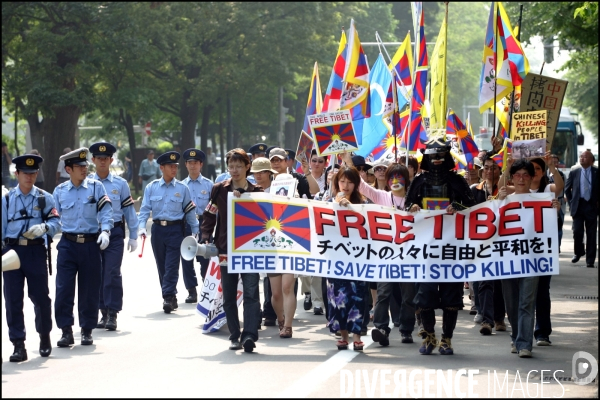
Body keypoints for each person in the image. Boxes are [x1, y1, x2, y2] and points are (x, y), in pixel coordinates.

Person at [405, 136, 476, 355]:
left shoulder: (457, 180)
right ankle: (428, 337)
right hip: (425, 251)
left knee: (451, 296)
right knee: (424, 295)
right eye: (433, 155)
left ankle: (447, 339)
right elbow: (407, 204)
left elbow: (471, 204)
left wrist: (458, 206)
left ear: (447, 156)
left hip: (451, 249)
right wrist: (414, 207)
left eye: (441, 155)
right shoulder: (418, 181)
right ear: (427, 157)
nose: (437, 159)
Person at [343, 153, 416, 346]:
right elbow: (361, 186)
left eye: (399, 177)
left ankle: (406, 329)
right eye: (391, 177)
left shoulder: (413, 199)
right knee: (383, 292)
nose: (394, 181)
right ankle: (382, 327)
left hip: (409, 256)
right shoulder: (382, 196)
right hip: (386, 255)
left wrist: (417, 210)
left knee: (408, 295)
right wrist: (348, 162)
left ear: (406, 180)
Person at [201, 148, 263, 353]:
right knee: (228, 294)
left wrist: (244, 198)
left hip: (250, 250)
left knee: (252, 293)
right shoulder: (219, 189)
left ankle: (250, 335)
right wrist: (205, 237)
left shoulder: (257, 192)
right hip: (226, 248)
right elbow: (209, 215)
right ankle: (234, 335)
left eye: (238, 166)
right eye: (231, 166)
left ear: (248, 167)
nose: (234, 170)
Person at [497, 158, 558, 358]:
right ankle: (516, 338)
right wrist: (498, 199)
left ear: (532, 177)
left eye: (525, 175)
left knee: (526, 303)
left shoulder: (541, 199)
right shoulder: (504, 199)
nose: (521, 179)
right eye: (517, 175)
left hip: (532, 261)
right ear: (512, 178)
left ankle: (525, 344)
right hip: (507, 260)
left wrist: (553, 210)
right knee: (512, 303)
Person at [53, 147, 114, 347]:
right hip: (68, 245)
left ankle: (87, 330)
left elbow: (106, 212)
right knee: (63, 289)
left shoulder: (96, 188)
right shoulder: (60, 191)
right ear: (68, 169)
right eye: (79, 167)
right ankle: (66, 331)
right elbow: (54, 218)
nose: (84, 169)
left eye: (85, 165)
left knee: (89, 289)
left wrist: (105, 230)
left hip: (90, 244)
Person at [2, 154, 61, 361]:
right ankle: (18, 344)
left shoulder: (45, 198)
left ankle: (44, 336)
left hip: (35, 251)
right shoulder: (7, 199)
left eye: (33, 173)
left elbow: (56, 221)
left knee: (40, 298)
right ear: (16, 174)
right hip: (11, 252)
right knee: (12, 300)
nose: (29, 177)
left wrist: (46, 227)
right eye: (25, 173)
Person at [137, 151, 198, 313]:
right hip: (157, 230)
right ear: (161, 168)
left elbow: (190, 212)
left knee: (172, 265)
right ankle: (171, 295)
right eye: (170, 166)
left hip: (175, 230)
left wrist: (197, 231)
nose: (174, 169)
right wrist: (141, 226)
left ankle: (168, 297)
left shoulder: (182, 188)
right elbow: (144, 210)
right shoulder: (151, 187)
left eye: (176, 166)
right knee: (162, 265)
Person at [89, 142, 139, 331]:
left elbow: (129, 211)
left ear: (111, 160)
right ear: (93, 160)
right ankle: (102, 311)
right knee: (97, 273)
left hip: (115, 232)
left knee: (111, 271)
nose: (102, 162)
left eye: (106, 159)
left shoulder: (120, 184)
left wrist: (133, 235)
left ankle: (112, 313)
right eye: (99, 158)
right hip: (93, 233)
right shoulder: (88, 184)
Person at [327, 166, 368, 351]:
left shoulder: (364, 203)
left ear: (356, 184)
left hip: (358, 257)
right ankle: (343, 335)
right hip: (335, 257)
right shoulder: (327, 202)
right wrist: (336, 203)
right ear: (336, 183)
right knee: (338, 297)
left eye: (350, 181)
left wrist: (350, 208)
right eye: (342, 181)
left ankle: (357, 335)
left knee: (358, 296)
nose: (345, 185)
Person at [470, 153, 507, 335]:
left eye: (494, 168)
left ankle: (499, 317)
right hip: (481, 244)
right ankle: (486, 320)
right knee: (484, 281)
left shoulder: (507, 191)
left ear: (500, 170)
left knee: (499, 283)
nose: (490, 171)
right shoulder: (475, 190)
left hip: (502, 243)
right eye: (486, 168)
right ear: (481, 170)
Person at [180, 148, 213, 304]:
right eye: (189, 163)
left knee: (205, 258)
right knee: (186, 259)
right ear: (186, 165)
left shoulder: (209, 185)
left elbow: (215, 209)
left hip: (204, 224)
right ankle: (191, 290)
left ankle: (207, 288)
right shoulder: (180, 186)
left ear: (201, 164)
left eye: (195, 163)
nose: (193, 166)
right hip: (186, 224)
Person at [565, 149, 598, 269]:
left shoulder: (596, 172)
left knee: (591, 234)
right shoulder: (575, 172)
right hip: (578, 206)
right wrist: (571, 201)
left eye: (585, 157)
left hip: (591, 206)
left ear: (591, 160)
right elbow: (567, 189)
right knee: (577, 231)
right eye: (581, 157)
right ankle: (578, 252)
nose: (582, 158)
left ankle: (590, 260)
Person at [548, 154, 566, 251]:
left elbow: (565, 187)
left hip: (559, 203)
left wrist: (565, 197)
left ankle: (557, 246)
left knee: (559, 226)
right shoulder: (544, 174)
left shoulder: (561, 175)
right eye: (552, 161)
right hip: (547, 204)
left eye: (556, 162)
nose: (554, 163)